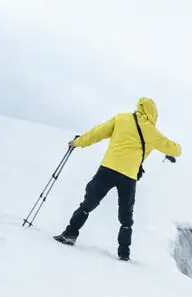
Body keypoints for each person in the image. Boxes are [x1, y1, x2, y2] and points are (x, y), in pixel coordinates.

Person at [54, 97, 181, 261]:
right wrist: (170, 148)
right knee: (126, 216)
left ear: (139, 107)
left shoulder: (121, 118)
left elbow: (97, 133)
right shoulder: (152, 133)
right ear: (153, 114)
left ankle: (70, 234)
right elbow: (175, 150)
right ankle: (124, 253)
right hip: (128, 177)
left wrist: (77, 142)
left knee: (88, 203)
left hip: (107, 169)